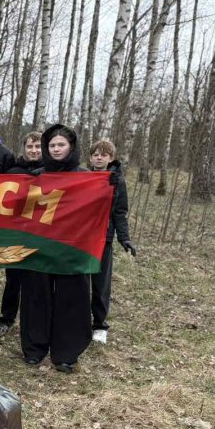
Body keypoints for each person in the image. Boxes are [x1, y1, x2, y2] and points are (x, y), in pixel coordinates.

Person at [19, 123, 92, 372]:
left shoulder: (86, 177)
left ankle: (66, 353)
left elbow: (99, 209)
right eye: (52, 145)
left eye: (61, 144)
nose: (56, 149)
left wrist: (111, 186)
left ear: (71, 147)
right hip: (40, 245)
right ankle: (34, 348)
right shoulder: (37, 175)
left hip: (73, 246)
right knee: (36, 296)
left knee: (71, 297)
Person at [0, 131, 44, 336]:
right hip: (16, 232)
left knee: (38, 280)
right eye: (30, 146)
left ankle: (35, 320)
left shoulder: (52, 171)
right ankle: (6, 318)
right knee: (13, 279)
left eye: (38, 147)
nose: (34, 150)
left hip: (42, 232)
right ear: (24, 148)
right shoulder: (13, 170)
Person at [88, 139, 135, 344]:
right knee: (80, 283)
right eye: (96, 154)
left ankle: (99, 324)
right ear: (90, 158)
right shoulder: (82, 177)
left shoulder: (117, 180)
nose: (99, 158)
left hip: (103, 238)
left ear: (111, 158)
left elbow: (119, 212)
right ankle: (79, 320)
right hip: (81, 236)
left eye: (104, 155)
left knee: (101, 284)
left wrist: (124, 238)